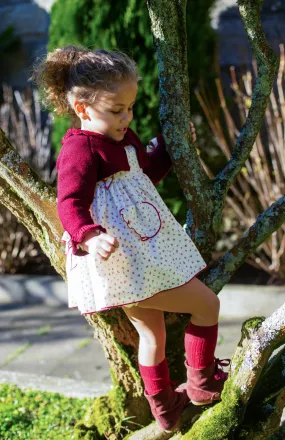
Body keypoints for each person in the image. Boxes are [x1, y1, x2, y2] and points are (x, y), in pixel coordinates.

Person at [33, 45, 229, 431]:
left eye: (130, 107)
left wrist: (170, 147)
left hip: (142, 256)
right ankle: (202, 385)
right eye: (116, 110)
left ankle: (166, 410)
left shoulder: (124, 138)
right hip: (123, 262)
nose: (127, 117)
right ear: (82, 108)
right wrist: (89, 237)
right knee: (206, 304)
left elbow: (142, 175)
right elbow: (69, 202)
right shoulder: (79, 148)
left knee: (151, 334)